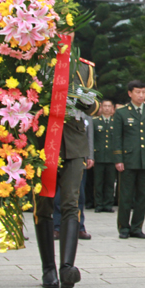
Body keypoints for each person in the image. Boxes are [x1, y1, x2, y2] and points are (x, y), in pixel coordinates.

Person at [34, 56, 99, 288]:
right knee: (44, 203)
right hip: (42, 139)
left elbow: (95, 107)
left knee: (71, 202)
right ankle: (48, 268)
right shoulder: (36, 61)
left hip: (73, 139)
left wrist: (86, 101)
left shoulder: (84, 67)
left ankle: (67, 267)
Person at [112, 80, 145, 239]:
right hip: (128, 159)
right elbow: (117, 137)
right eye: (137, 92)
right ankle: (123, 227)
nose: (141, 95)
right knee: (126, 196)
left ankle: (137, 227)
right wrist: (118, 158)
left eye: (143, 92)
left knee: (144, 196)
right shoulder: (122, 112)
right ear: (130, 93)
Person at [53, 103, 95, 241]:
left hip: (79, 155)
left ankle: (79, 226)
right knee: (60, 195)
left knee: (79, 195)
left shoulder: (83, 109)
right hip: (60, 153)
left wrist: (89, 156)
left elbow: (89, 135)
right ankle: (57, 227)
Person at [93, 100, 118, 213]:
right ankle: (98, 204)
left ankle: (108, 204)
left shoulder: (116, 122)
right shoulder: (95, 122)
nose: (107, 108)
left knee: (110, 182)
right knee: (98, 182)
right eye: (105, 106)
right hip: (99, 156)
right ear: (101, 108)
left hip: (111, 157)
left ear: (112, 108)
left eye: (109, 106)